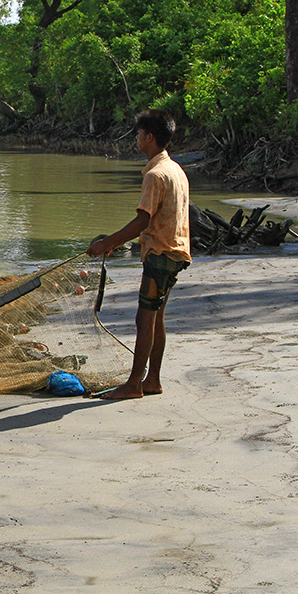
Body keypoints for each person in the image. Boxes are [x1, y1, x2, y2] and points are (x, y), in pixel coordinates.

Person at [87, 109, 191, 400]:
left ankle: (134, 384)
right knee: (156, 318)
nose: (136, 138)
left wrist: (108, 242)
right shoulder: (175, 170)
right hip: (176, 253)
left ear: (150, 137)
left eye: (139, 133)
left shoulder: (155, 176)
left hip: (160, 254)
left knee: (145, 319)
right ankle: (152, 379)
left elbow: (142, 221)